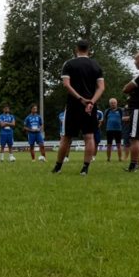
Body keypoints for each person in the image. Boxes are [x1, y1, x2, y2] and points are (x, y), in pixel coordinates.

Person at [53, 39, 105, 175]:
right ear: (89, 50)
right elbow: (101, 87)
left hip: (73, 105)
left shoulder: (69, 64)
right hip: (90, 106)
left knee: (66, 137)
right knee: (89, 136)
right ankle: (85, 168)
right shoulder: (96, 66)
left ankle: (58, 167)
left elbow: (66, 84)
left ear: (76, 49)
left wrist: (80, 98)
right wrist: (91, 102)